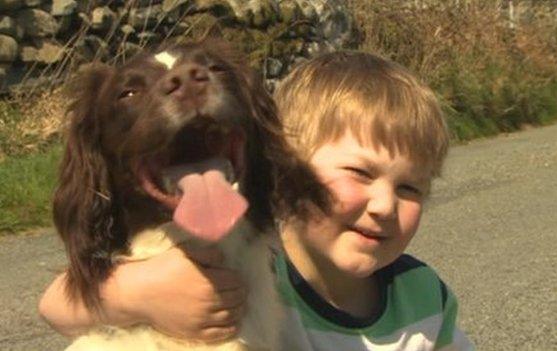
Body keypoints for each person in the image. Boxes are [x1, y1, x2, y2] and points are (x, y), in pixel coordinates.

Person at [40, 51, 473, 350]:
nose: (384, 205)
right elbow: (56, 304)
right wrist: (142, 291)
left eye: (410, 189)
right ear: (286, 159)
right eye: (359, 173)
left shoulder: (422, 295)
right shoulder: (258, 264)